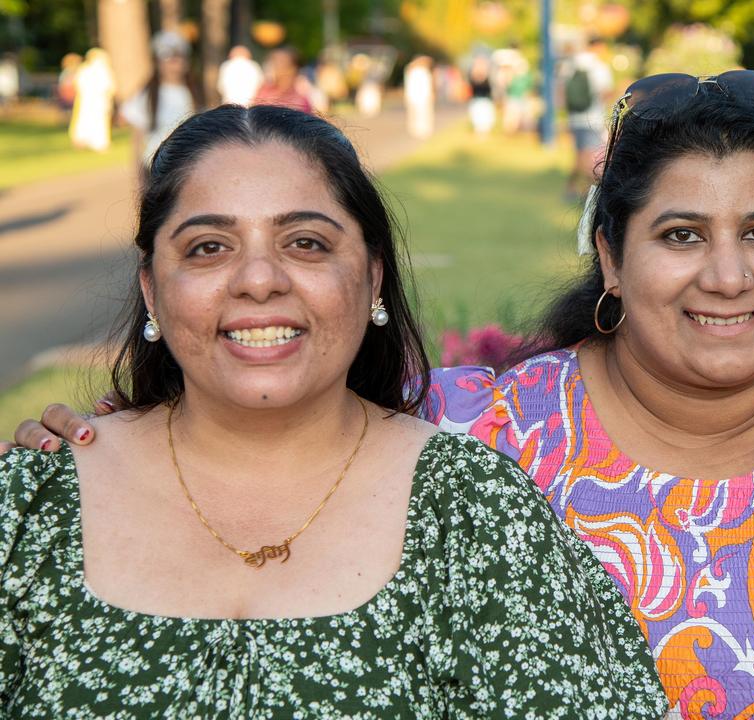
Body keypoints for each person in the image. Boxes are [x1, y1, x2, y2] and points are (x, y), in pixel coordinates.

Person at [13, 73, 754, 718]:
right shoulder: (480, 431)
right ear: (609, 257)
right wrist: (104, 444)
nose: (727, 276)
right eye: (679, 236)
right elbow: (275, 399)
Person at [0, 104, 667, 717]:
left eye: (306, 243)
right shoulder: (32, 508)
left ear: (373, 277)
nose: (259, 279)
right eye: (209, 247)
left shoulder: (471, 513)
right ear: (151, 288)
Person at [119, 31, 196, 180]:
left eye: (178, 57)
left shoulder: (196, 92)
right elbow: (137, 142)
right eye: (167, 58)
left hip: (189, 167)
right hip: (158, 170)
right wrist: (140, 179)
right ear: (157, 62)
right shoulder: (146, 96)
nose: (174, 63)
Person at [563, 39, 613, 201]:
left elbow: (563, 90)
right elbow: (605, 92)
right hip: (592, 118)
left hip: (575, 117)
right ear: (599, 46)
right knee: (588, 158)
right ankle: (590, 193)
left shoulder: (572, 64)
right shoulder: (599, 67)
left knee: (580, 155)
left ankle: (571, 189)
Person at [68, 48, 115, 153]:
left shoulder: (86, 69)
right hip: (95, 100)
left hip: (92, 100)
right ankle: (93, 142)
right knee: (93, 120)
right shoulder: (101, 70)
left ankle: (94, 142)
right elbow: (110, 87)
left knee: (91, 119)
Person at [253, 47, 313, 114]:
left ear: (294, 69)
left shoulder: (300, 101)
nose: (277, 68)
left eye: (283, 63)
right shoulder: (264, 93)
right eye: (275, 63)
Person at [404, 55, 436, 139]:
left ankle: (419, 129)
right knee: (422, 113)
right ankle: (421, 130)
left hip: (417, 95)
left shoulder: (412, 71)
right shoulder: (423, 72)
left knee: (418, 112)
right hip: (421, 95)